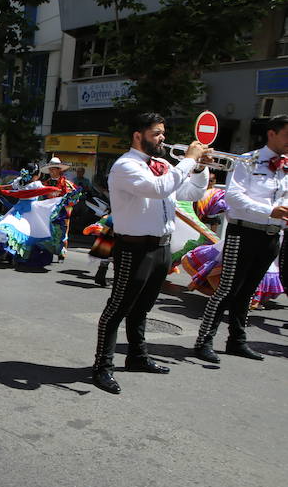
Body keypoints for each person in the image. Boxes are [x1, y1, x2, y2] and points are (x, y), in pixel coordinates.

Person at [92, 112, 211, 394]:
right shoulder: (125, 166)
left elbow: (191, 194)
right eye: (157, 133)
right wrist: (190, 159)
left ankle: (136, 356)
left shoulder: (161, 164)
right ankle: (102, 366)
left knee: (144, 307)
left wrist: (201, 168)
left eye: (162, 133)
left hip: (161, 247)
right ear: (138, 135)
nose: (163, 138)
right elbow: (159, 189)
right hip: (134, 247)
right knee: (118, 307)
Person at [193, 114, 288, 363]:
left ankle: (237, 340)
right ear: (272, 133)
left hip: (271, 235)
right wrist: (270, 211)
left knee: (249, 291)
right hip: (243, 231)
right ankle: (204, 340)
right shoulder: (248, 161)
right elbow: (234, 197)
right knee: (227, 289)